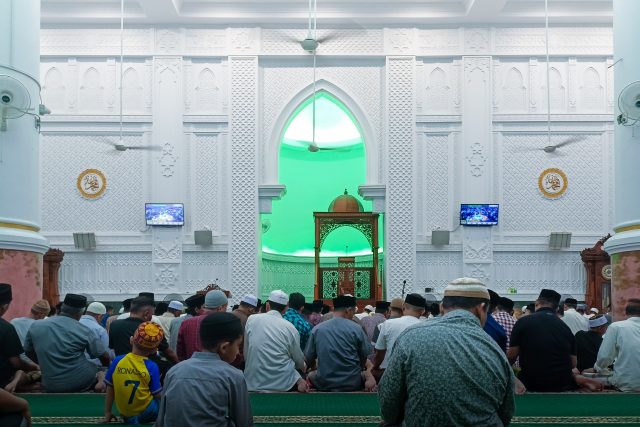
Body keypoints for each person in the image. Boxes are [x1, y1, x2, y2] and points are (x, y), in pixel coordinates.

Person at [378, 278, 515, 427]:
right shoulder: (495, 350)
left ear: (442, 307)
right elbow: (506, 414)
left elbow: (388, 405)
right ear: (481, 309)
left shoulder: (410, 336)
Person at [157, 313, 253, 427]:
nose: (238, 352)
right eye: (238, 345)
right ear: (224, 347)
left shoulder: (174, 372)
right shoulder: (233, 376)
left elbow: (161, 420)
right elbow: (244, 422)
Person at [508, 289, 601, 392]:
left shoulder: (522, 322)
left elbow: (512, 356)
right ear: (557, 308)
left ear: (537, 304)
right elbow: (573, 363)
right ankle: (577, 379)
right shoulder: (565, 328)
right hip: (562, 384)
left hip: (531, 383)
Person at [25, 293, 110, 393]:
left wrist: (45, 363)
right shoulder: (84, 330)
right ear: (81, 312)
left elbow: (28, 351)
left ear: (62, 308)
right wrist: (107, 366)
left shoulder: (36, 325)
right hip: (82, 381)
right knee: (101, 371)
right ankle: (100, 380)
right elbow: (104, 356)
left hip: (50, 384)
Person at [305, 295, 376, 392]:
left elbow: (309, 357)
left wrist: (314, 368)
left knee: (311, 375)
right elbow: (364, 355)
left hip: (324, 383)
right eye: (353, 312)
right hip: (352, 382)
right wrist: (360, 368)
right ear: (348, 310)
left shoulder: (317, 329)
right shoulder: (356, 329)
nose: (353, 316)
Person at [243, 290, 306, 392]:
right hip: (283, 385)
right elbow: (299, 362)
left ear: (267, 305)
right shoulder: (290, 328)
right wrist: (304, 367)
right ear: (286, 308)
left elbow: (247, 354)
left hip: (253, 382)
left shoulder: (251, 319)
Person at [103, 322, 164, 424]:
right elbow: (157, 394)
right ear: (154, 350)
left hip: (125, 413)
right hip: (147, 412)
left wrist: (108, 412)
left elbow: (110, 388)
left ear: (131, 340)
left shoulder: (117, 361)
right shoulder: (152, 366)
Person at [109, 296, 178, 378]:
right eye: (152, 314)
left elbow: (112, 348)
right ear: (146, 313)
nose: (152, 317)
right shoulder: (151, 329)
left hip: (122, 370)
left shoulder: (114, 325)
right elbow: (169, 353)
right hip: (147, 372)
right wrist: (179, 365)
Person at [0, 284, 40, 394]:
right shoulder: (6, 328)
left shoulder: (14, 322)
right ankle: (15, 385)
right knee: (24, 373)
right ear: (4, 307)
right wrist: (34, 367)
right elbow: (16, 363)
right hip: (3, 380)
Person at [594, 299, 640, 391]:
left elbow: (604, 357)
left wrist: (598, 368)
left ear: (625, 313)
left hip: (627, 385)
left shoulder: (616, 327)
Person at [373, 293, 425, 374]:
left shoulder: (388, 324)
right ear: (423, 311)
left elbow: (380, 353)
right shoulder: (425, 327)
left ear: (403, 307)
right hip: (415, 373)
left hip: (391, 372)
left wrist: (375, 367)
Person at [177, 291, 228, 361]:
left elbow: (180, 352)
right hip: (218, 367)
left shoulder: (187, 323)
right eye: (226, 308)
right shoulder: (225, 324)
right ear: (220, 308)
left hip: (190, 366)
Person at [79, 302, 110, 367]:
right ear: (99, 316)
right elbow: (103, 353)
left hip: (73, 365)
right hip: (94, 366)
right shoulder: (100, 329)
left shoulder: (74, 323)